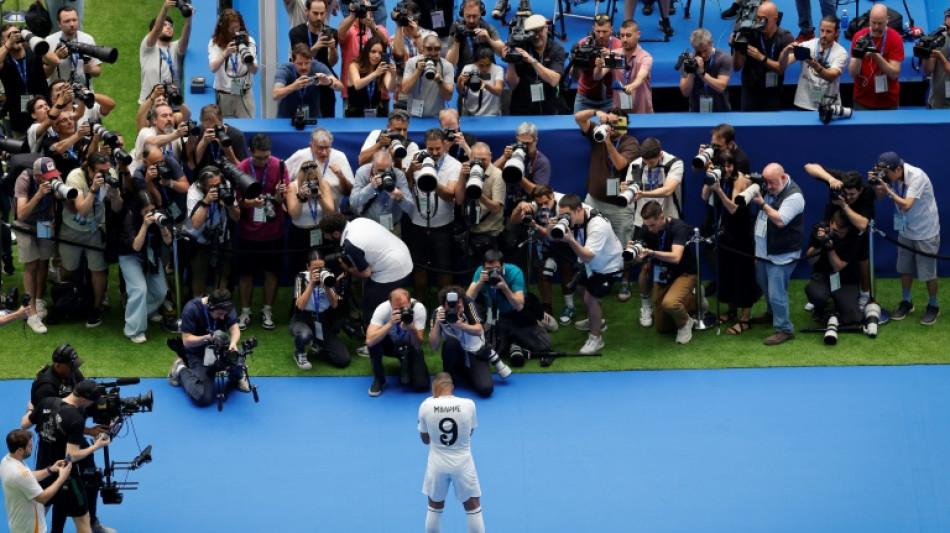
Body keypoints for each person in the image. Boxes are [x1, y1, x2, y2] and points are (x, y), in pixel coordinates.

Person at [28, 346, 116, 533]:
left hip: (63, 442)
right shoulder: (45, 387)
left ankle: (91, 522)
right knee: (53, 496)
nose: (75, 369)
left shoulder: (72, 376)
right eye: (71, 365)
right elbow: (70, 452)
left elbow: (29, 420)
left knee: (88, 475)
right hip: (61, 452)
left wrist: (102, 414)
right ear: (59, 365)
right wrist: (95, 443)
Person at [573, 108, 640, 301]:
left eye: (619, 124)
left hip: (619, 205)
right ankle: (591, 277)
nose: (615, 127)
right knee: (589, 239)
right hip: (593, 200)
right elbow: (578, 118)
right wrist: (597, 112)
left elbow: (619, 165)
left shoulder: (630, 142)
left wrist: (609, 141)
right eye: (612, 123)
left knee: (624, 243)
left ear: (625, 125)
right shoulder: (598, 131)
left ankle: (625, 282)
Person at [869, 151, 940, 325]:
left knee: (928, 273)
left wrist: (888, 190)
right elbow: (878, 198)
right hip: (905, 230)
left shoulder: (917, 176)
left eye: (887, 173)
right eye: (882, 172)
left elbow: (907, 205)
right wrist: (877, 186)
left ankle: (933, 305)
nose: (886, 176)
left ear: (898, 169)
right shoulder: (893, 177)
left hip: (925, 231)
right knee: (904, 268)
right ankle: (907, 302)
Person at [59, 152, 123, 328]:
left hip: (96, 230)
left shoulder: (111, 174)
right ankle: (65, 299)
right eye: (100, 172)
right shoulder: (75, 177)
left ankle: (96, 308)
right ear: (89, 170)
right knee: (67, 268)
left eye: (107, 170)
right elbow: (83, 210)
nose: (105, 174)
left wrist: (116, 195)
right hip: (72, 229)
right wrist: (94, 189)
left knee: (98, 270)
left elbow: (117, 209)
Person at [235, 134, 291, 331]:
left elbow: (282, 200)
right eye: (258, 158)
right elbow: (235, 202)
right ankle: (245, 311)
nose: (263, 161)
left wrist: (278, 195)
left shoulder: (280, 166)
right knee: (245, 274)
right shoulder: (241, 168)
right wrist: (250, 203)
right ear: (250, 153)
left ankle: (267, 310)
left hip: (274, 232)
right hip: (247, 232)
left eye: (266, 157)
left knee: (272, 273)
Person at [555, 194, 623, 354]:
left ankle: (596, 338)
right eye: (561, 215)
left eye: (567, 215)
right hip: (593, 263)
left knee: (590, 298)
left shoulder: (597, 226)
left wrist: (570, 240)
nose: (564, 218)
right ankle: (596, 321)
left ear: (579, 210)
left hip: (608, 266)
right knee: (579, 286)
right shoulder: (581, 212)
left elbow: (587, 256)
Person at [417, 372, 485, 533]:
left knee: (434, 505)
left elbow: (425, 439)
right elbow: (469, 433)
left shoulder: (425, 406)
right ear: (452, 387)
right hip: (463, 463)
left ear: (434, 388)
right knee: (473, 506)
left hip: (437, 464)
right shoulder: (469, 405)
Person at [319, 213, 413, 325]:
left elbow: (366, 272)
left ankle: (374, 337)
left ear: (336, 233)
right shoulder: (359, 221)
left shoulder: (351, 245)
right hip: (402, 255)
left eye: (325, 234)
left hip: (393, 269)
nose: (325, 237)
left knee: (370, 306)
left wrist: (347, 268)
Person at [625, 138, 683, 319]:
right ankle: (645, 305)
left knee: (673, 264)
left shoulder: (675, 163)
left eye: (652, 162)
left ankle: (674, 300)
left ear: (660, 155)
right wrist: (626, 189)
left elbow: (668, 190)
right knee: (645, 267)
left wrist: (642, 193)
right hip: (642, 223)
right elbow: (628, 188)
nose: (648, 166)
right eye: (645, 162)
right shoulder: (636, 164)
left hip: (667, 221)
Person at [701, 150, 758, 335]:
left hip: (741, 233)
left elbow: (733, 208)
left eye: (729, 166)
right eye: (722, 166)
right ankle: (731, 310)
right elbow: (704, 196)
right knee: (726, 272)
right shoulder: (718, 176)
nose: (726, 170)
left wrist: (718, 190)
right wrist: (709, 179)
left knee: (742, 275)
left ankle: (745, 319)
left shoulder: (739, 179)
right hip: (725, 232)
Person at [805, 163, 875, 309]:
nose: (848, 197)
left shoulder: (867, 192)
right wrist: (830, 180)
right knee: (822, 249)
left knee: (861, 257)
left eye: (852, 195)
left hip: (855, 228)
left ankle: (865, 293)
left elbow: (863, 225)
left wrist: (844, 205)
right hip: (834, 221)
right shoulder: (839, 179)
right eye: (846, 193)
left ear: (860, 190)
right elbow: (809, 167)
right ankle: (819, 290)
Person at [750, 163, 805, 346]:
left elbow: (780, 221)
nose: (769, 186)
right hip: (764, 252)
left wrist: (763, 204)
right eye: (766, 182)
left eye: (772, 183)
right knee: (764, 285)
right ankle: (772, 313)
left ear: (783, 178)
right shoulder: (769, 186)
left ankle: (785, 329)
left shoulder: (795, 196)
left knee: (776, 294)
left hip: (781, 255)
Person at [402, 128, 461, 301]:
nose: (434, 153)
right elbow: (405, 186)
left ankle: (444, 304)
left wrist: (431, 179)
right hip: (417, 224)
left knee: (444, 268)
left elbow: (450, 195)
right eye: (430, 149)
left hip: (443, 226)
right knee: (419, 267)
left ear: (445, 145)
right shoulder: (416, 158)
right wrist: (410, 171)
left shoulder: (453, 165)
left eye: (438, 149)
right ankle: (420, 303)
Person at [466, 249, 551, 364]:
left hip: (518, 315)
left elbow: (519, 306)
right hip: (496, 316)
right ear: (484, 267)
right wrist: (480, 282)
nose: (492, 272)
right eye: (488, 269)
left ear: (503, 266)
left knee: (544, 344)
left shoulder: (514, 272)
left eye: (496, 269)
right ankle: (514, 343)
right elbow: (468, 299)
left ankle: (537, 322)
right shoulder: (481, 272)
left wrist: (505, 288)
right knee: (487, 348)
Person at [167, 290, 250, 406]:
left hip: (220, 349)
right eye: (219, 313)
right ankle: (180, 368)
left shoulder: (226, 306)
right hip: (198, 353)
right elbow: (186, 341)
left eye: (224, 314)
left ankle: (236, 377)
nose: (222, 317)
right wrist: (207, 338)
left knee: (238, 355)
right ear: (209, 306)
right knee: (202, 397)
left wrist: (233, 343)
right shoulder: (191, 309)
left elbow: (235, 329)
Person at [632, 202, 697, 344]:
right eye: (647, 225)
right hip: (663, 275)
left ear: (662, 217)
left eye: (652, 225)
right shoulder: (646, 228)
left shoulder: (679, 227)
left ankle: (686, 323)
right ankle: (691, 300)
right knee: (662, 327)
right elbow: (639, 253)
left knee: (670, 303)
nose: (649, 229)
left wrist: (652, 253)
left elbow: (676, 257)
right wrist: (634, 252)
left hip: (684, 272)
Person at [14, 158, 64, 334]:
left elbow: (59, 201)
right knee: (32, 264)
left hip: (44, 222)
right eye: (46, 177)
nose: (51, 180)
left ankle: (40, 298)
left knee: (43, 261)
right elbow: (20, 214)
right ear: (37, 176)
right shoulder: (24, 180)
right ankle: (31, 311)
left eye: (53, 175)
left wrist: (54, 216)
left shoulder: (55, 179)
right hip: (25, 224)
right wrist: (39, 194)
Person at [118, 191, 170, 343]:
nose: (150, 214)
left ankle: (145, 311)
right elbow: (135, 246)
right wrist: (145, 225)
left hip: (150, 253)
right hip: (129, 255)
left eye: (152, 210)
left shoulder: (158, 216)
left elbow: (168, 241)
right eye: (145, 211)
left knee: (161, 291)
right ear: (138, 211)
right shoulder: (129, 217)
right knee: (139, 289)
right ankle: (133, 329)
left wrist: (162, 227)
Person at [181, 166, 240, 299]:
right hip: (199, 238)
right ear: (202, 186)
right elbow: (196, 224)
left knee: (223, 272)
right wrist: (206, 201)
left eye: (218, 184)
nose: (217, 188)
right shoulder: (194, 191)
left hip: (222, 236)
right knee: (199, 273)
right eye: (212, 186)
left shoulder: (226, 186)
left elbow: (236, 217)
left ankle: (220, 302)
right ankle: (198, 304)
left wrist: (229, 203)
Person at [429, 285, 497, 398]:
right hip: (455, 353)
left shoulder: (469, 304)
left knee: (486, 389)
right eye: (451, 304)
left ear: (462, 300)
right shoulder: (438, 313)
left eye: (458, 303)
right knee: (451, 343)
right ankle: (451, 373)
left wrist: (461, 325)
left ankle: (467, 372)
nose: (455, 307)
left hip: (474, 352)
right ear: (444, 304)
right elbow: (433, 346)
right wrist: (437, 324)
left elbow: (479, 330)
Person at [290, 249, 351, 370]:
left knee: (343, 360)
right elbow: (300, 306)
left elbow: (334, 305)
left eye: (321, 268)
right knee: (304, 335)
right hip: (302, 318)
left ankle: (319, 343)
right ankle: (300, 353)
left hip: (322, 320)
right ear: (308, 267)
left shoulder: (329, 276)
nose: (318, 272)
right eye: (314, 269)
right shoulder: (301, 277)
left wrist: (327, 287)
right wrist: (311, 284)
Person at [1, 429, 72, 533]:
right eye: (30, 446)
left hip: (19, 525)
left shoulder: (7, 461)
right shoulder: (20, 473)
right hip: (30, 529)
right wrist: (62, 478)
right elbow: (43, 498)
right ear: (20, 450)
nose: (33, 447)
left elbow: (29, 476)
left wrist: (50, 469)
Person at [731, 0, 794, 111]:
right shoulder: (749, 34)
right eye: (758, 18)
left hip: (772, 92)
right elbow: (736, 67)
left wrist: (761, 57)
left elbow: (780, 69)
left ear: (775, 19)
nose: (759, 22)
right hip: (750, 91)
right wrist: (737, 46)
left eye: (764, 19)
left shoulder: (785, 38)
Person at [365, 288, 430, 396]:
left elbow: (417, 344)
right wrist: (390, 324)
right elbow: (370, 341)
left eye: (404, 307)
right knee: (375, 340)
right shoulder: (383, 309)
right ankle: (379, 379)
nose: (401, 311)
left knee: (421, 385)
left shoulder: (419, 309)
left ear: (410, 302)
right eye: (396, 308)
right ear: (390, 305)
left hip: (409, 346)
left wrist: (412, 328)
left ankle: (408, 365)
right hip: (389, 344)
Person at [803, 211, 863, 327]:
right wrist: (819, 244)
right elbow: (810, 260)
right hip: (823, 276)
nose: (839, 236)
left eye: (842, 233)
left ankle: (841, 301)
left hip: (844, 279)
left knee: (853, 317)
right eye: (835, 231)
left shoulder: (854, 237)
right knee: (816, 294)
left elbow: (838, 267)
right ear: (830, 224)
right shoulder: (818, 229)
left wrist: (830, 248)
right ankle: (819, 307)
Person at [779, 15, 847, 110]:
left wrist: (815, 66)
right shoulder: (807, 46)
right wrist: (785, 52)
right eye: (822, 30)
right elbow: (783, 64)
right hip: (804, 103)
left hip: (829, 105)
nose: (824, 35)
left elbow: (831, 76)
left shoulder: (841, 52)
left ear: (836, 33)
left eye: (828, 31)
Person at [505, 14, 567, 116]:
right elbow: (512, 85)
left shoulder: (557, 49)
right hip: (522, 108)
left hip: (548, 108)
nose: (536, 36)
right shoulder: (521, 47)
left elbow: (554, 80)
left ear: (546, 28)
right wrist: (510, 60)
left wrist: (531, 60)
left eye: (539, 31)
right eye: (532, 32)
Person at [0, 24, 56, 136]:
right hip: (18, 118)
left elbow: (55, 60)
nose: (15, 37)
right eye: (9, 36)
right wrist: (9, 44)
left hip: (44, 113)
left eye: (17, 33)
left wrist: (31, 41)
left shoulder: (33, 52)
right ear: (3, 43)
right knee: (23, 151)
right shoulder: (5, 60)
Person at [285, 161, 336, 279]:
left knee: (323, 269)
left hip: (321, 233)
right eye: (309, 180)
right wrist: (301, 198)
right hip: (299, 234)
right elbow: (294, 215)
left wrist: (320, 197)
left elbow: (330, 213)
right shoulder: (293, 187)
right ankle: (301, 295)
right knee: (300, 270)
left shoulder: (324, 185)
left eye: (315, 179)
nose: (312, 183)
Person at [846, 3, 903, 110]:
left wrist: (876, 56)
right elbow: (852, 73)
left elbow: (894, 73)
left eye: (880, 23)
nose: (876, 27)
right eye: (873, 22)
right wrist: (859, 57)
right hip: (862, 100)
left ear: (887, 20)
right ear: (869, 19)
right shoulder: (859, 37)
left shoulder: (895, 38)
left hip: (888, 102)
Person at [289, 0, 340, 118]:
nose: (319, 17)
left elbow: (332, 62)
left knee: (327, 123)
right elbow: (299, 59)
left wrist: (332, 49)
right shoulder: (296, 33)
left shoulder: (331, 32)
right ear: (306, 11)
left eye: (322, 13)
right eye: (315, 13)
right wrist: (316, 47)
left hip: (325, 84)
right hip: (304, 83)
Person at [455, 142, 504, 261]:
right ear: (471, 157)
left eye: (484, 159)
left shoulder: (497, 175)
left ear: (491, 156)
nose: (480, 163)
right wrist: (462, 176)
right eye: (476, 159)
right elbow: (459, 200)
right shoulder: (466, 171)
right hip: (469, 230)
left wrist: (478, 193)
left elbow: (497, 209)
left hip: (489, 233)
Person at [138, 0, 194, 104]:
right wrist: (165, 8)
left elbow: (185, 38)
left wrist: (189, 19)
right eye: (164, 25)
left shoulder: (176, 47)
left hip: (174, 103)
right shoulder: (148, 47)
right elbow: (156, 30)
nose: (169, 27)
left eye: (170, 26)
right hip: (150, 102)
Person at [286, 127, 355, 210]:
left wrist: (341, 177)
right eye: (320, 148)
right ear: (311, 146)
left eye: (327, 147)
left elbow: (349, 192)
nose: (324, 152)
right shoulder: (300, 155)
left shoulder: (340, 157)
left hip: (331, 214)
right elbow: (282, 178)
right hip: (303, 217)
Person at [208, 9, 258, 118]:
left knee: (248, 128)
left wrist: (249, 62)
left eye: (237, 27)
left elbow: (255, 70)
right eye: (232, 29)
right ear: (224, 29)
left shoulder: (249, 41)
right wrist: (225, 53)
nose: (235, 31)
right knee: (227, 129)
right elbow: (213, 68)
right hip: (224, 95)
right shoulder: (215, 43)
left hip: (244, 94)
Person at [338, 0, 390, 106]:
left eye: (366, 11)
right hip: (353, 92)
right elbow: (340, 33)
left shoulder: (379, 29)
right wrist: (353, 15)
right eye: (360, 11)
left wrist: (372, 26)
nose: (363, 14)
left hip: (379, 92)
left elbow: (384, 42)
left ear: (371, 13)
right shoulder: (350, 31)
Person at [273, 44, 342, 120]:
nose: (304, 67)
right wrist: (293, 86)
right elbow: (276, 94)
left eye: (307, 63)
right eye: (299, 64)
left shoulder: (318, 66)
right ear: (292, 61)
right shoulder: (285, 70)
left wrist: (329, 82)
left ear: (311, 60)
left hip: (313, 119)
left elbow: (340, 86)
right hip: (286, 119)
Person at [350, 149, 415, 230]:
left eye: (388, 170)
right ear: (373, 167)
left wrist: (401, 198)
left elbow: (411, 209)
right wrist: (370, 188)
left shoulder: (399, 175)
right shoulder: (363, 172)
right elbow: (353, 202)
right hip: (367, 226)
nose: (385, 174)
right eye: (380, 171)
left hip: (391, 226)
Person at [571, 15, 622, 113]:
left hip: (611, 99)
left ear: (611, 30)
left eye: (605, 31)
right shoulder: (583, 45)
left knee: (612, 128)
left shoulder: (619, 46)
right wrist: (576, 62)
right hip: (585, 99)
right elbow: (575, 77)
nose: (601, 35)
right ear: (593, 29)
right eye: (598, 31)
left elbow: (626, 68)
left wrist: (610, 56)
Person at [185, 104, 248, 176]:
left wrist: (229, 152)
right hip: (203, 180)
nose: (213, 131)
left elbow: (243, 172)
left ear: (222, 120)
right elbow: (191, 165)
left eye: (215, 127)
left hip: (229, 179)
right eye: (208, 129)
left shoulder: (237, 135)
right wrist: (203, 143)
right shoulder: (199, 132)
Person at [679, 28, 732, 113]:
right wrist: (691, 72)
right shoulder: (689, 60)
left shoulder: (724, 58)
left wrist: (702, 73)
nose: (703, 55)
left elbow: (721, 87)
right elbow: (685, 92)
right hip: (696, 112)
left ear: (711, 43)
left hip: (721, 111)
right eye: (698, 52)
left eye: (705, 50)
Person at [45, 7, 101, 88]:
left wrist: (90, 70)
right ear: (59, 24)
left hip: (83, 93)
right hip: (59, 94)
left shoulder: (87, 39)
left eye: (74, 20)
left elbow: (98, 71)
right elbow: (44, 74)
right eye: (67, 21)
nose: (72, 24)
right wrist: (56, 58)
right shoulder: (49, 41)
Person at [401, 34, 455, 118]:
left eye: (437, 49)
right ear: (422, 49)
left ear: (441, 49)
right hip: (414, 117)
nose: (433, 53)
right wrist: (418, 71)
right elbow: (404, 90)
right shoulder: (412, 62)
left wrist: (440, 81)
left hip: (436, 117)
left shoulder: (447, 66)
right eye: (429, 49)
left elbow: (448, 97)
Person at [345, 36, 397, 118]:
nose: (377, 56)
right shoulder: (355, 66)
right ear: (366, 52)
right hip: (355, 115)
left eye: (380, 53)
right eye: (373, 52)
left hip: (377, 115)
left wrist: (394, 75)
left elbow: (391, 88)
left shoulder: (383, 69)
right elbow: (357, 85)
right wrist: (375, 74)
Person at [446, 0, 504, 72]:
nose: (471, 20)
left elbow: (503, 53)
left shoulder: (487, 28)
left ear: (481, 13)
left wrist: (489, 40)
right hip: (465, 74)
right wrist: (457, 41)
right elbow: (450, 64)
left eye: (475, 16)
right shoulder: (457, 30)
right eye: (468, 16)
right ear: (462, 14)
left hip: (487, 73)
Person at [610, 20, 653, 114]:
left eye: (628, 35)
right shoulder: (615, 55)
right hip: (620, 113)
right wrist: (598, 66)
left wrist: (633, 85)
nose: (624, 39)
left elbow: (640, 78)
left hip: (643, 112)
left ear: (638, 34)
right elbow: (598, 76)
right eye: (622, 35)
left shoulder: (645, 57)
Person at [457, 47, 504, 117]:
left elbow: (498, 91)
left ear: (491, 62)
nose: (484, 69)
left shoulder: (498, 70)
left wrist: (485, 85)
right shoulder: (468, 69)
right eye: (481, 65)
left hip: (492, 115)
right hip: (470, 115)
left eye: (488, 65)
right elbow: (461, 92)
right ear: (475, 62)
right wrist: (459, 80)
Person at [922, 9, 950, 109]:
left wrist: (940, 57)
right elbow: (928, 70)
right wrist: (926, 54)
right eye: (947, 27)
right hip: (936, 106)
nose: (948, 32)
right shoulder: (939, 39)